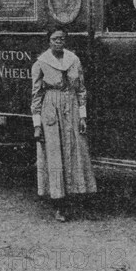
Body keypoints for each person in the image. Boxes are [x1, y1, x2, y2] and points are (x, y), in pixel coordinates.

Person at [31, 27, 97, 221]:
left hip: (72, 107)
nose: (58, 41)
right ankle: (59, 204)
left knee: (76, 152)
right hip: (50, 108)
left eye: (61, 38)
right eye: (54, 39)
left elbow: (81, 90)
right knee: (55, 154)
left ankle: (78, 199)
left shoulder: (73, 60)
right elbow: (36, 96)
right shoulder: (41, 63)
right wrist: (37, 124)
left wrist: (83, 116)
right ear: (49, 41)